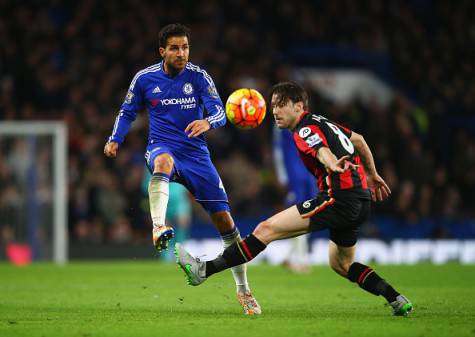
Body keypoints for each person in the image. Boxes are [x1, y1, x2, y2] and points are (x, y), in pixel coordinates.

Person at [176, 82, 413, 316]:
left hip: (338, 198)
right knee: (341, 264)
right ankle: (396, 298)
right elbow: (359, 139)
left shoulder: (304, 129)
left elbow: (322, 151)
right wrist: (372, 174)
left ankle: (203, 270)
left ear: (299, 106)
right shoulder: (323, 121)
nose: (275, 111)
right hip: (360, 200)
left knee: (266, 229)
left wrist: (332, 164)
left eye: (281, 105)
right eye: (273, 106)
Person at [104, 23, 260, 315]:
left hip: (196, 155)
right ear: (162, 50)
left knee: (226, 223)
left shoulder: (199, 78)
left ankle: (244, 290)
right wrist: (115, 139)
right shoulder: (145, 79)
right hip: (161, 146)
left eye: (185, 47)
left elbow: (219, 111)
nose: (181, 53)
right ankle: (158, 226)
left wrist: (208, 122)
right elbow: (127, 111)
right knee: (162, 163)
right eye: (175, 48)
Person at [273, 125, 317, 273]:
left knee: (311, 213)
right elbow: (278, 150)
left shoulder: (308, 121)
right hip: (294, 175)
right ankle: (301, 260)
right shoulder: (280, 124)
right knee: (299, 213)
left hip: (310, 173)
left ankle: (291, 256)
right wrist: (282, 176)